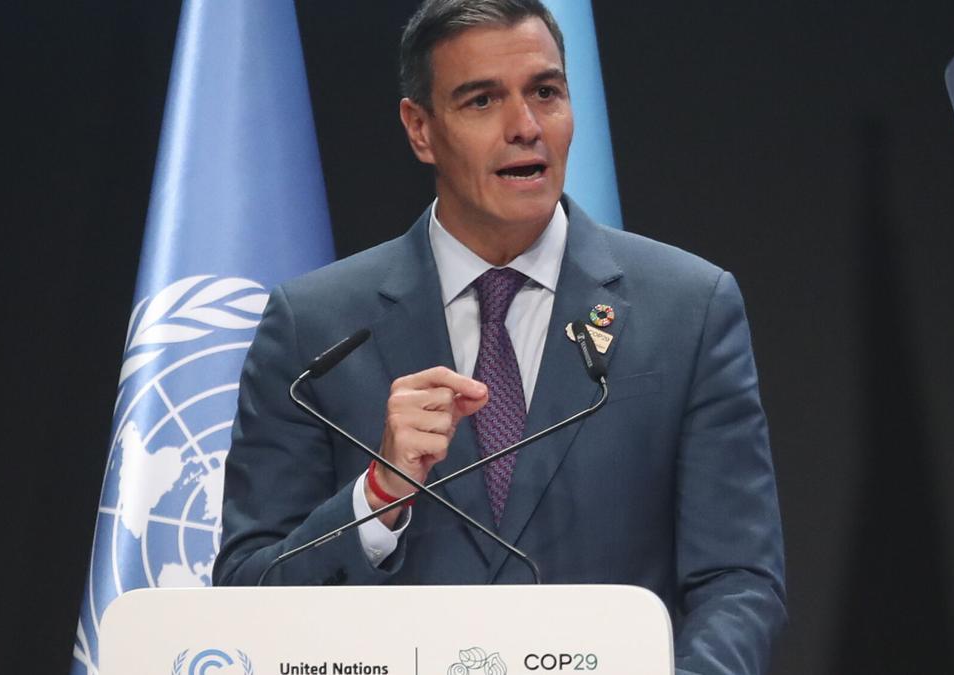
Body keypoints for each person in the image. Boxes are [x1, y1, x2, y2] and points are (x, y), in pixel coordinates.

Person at [214, 1, 786, 672]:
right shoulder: (314, 327)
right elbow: (245, 598)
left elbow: (738, 583)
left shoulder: (688, 308)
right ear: (420, 129)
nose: (525, 127)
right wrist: (376, 497)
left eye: (545, 92)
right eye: (482, 100)